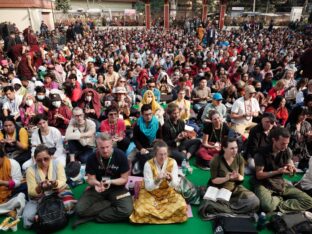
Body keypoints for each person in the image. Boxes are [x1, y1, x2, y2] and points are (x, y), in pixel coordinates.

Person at [74, 133, 133, 226]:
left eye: (107, 147)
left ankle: (95, 216)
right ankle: (109, 203)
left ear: (112, 144)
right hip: (98, 188)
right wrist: (96, 183)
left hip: (117, 188)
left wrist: (111, 181)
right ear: (97, 146)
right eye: (102, 148)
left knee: (127, 211)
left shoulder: (120, 155)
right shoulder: (91, 158)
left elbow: (124, 179)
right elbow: (90, 179)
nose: (105, 151)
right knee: (79, 210)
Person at [254, 127, 312, 213]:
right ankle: (279, 199)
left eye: (287, 144)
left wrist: (291, 167)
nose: (285, 146)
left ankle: (278, 203)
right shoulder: (261, 153)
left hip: (280, 183)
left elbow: (289, 162)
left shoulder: (287, 150)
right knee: (267, 206)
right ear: (274, 140)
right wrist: (278, 171)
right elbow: (259, 175)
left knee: (309, 201)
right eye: (282, 144)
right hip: (264, 184)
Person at [199, 138, 259, 219]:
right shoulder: (216, 160)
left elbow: (242, 178)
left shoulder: (239, 158)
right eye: (232, 148)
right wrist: (226, 178)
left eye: (236, 147)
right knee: (207, 206)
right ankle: (236, 212)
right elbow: (214, 180)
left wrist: (238, 177)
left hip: (235, 188)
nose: (235, 150)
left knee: (255, 201)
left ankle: (228, 211)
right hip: (219, 188)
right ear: (224, 148)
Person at [130, 140, 188, 224]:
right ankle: (165, 216)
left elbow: (175, 185)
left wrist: (170, 180)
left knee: (182, 207)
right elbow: (148, 188)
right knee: (140, 210)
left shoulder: (172, 162)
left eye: (165, 154)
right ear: (155, 154)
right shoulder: (148, 164)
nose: (163, 157)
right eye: (160, 154)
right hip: (150, 193)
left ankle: (154, 217)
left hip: (168, 193)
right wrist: (157, 180)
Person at [23, 145, 75, 229]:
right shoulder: (30, 170)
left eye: (46, 159)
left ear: (50, 157)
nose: (43, 162)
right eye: (39, 160)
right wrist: (39, 187)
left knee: (70, 208)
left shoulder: (57, 164)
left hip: (58, 191)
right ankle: (53, 213)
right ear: (35, 160)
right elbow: (31, 191)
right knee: (27, 220)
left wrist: (55, 183)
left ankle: (43, 215)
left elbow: (63, 180)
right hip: (39, 197)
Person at [130, 104, 162, 173]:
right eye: (146, 115)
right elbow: (135, 139)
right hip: (140, 147)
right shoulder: (137, 125)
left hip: (153, 147)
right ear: (142, 114)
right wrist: (141, 148)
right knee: (128, 159)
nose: (149, 116)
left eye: (150, 114)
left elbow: (160, 138)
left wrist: (158, 141)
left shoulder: (156, 123)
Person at [0, 148, 26, 217]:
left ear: (3, 157)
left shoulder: (13, 163)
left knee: (19, 199)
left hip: (12, 193)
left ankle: (4, 210)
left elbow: (18, 183)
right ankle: (7, 211)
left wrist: (3, 183)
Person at [286, 106, 312, 170]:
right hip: (291, 151)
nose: (304, 117)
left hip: (304, 152)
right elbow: (286, 142)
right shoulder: (290, 125)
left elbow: (308, 142)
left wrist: (309, 137)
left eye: (306, 115)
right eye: (302, 115)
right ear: (296, 114)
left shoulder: (307, 124)